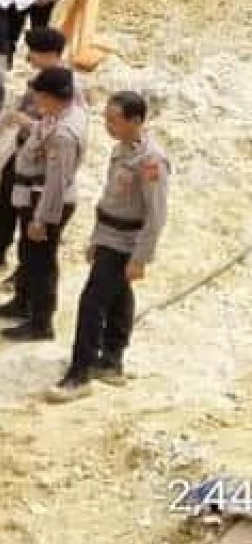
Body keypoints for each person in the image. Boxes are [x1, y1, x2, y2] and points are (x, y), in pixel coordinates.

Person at [47, 92, 169, 402]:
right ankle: (112, 359)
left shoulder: (151, 161)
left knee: (92, 302)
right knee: (118, 297)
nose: (108, 125)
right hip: (109, 234)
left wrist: (140, 258)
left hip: (126, 242)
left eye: (114, 119)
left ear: (135, 121)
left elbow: (156, 215)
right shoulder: (121, 151)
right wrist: (96, 239)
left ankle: (80, 373)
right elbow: (111, 200)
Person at [0, 27, 88, 277]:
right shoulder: (40, 78)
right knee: (5, 203)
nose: (29, 57)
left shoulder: (66, 86)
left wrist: (26, 123)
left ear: (51, 54)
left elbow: (62, 127)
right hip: (23, 151)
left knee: (30, 215)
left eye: (34, 51)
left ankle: (25, 273)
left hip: (43, 161)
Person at [0, 67, 88, 342]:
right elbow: (42, 129)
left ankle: (40, 322)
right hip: (33, 192)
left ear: (51, 97)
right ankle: (23, 302)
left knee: (41, 261)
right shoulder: (62, 114)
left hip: (44, 199)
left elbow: (56, 183)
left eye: (39, 95)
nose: (35, 100)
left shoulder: (63, 135)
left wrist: (42, 219)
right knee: (28, 253)